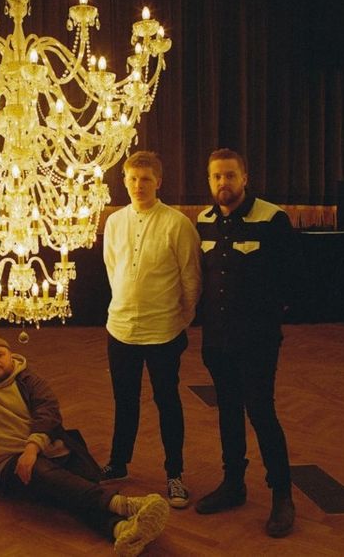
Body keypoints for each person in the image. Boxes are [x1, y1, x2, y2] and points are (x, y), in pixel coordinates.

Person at [0, 334, 171, 557]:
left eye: (0, 354)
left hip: (47, 448)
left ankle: (121, 530)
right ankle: (124, 505)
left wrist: (32, 448)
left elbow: (49, 413)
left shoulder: (29, 380)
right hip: (9, 460)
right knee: (54, 479)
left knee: (72, 489)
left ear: (10, 356)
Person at [194, 148, 297, 537]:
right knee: (227, 412)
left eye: (230, 175)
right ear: (210, 180)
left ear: (244, 178)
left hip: (257, 341)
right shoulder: (203, 222)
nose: (223, 182)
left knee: (261, 412)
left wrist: (266, 317)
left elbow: (291, 278)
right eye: (216, 176)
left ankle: (282, 495)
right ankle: (233, 485)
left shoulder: (272, 219)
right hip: (216, 339)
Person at [101, 150, 202, 509]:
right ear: (124, 181)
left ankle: (175, 473)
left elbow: (191, 280)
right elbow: (113, 269)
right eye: (132, 178)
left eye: (145, 179)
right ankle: (118, 462)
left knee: (167, 402)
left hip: (164, 332)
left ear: (158, 182)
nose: (138, 185)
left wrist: (180, 319)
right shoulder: (114, 222)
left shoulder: (177, 224)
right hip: (120, 328)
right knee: (124, 400)